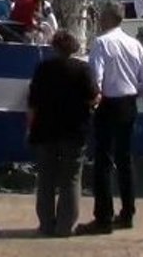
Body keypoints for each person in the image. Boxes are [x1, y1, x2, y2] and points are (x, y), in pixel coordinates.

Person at [78, 2, 143, 235]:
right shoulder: (134, 44)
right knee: (125, 160)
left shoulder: (102, 43)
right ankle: (127, 213)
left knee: (103, 162)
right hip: (129, 104)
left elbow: (96, 78)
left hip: (109, 105)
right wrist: (138, 95)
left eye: (102, 15)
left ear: (108, 18)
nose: (99, 19)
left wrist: (94, 100)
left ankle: (103, 218)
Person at [27, 30, 99, 237]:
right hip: (74, 130)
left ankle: (46, 225)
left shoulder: (43, 69)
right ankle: (65, 226)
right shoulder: (83, 69)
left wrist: (29, 127)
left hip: (45, 129)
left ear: (54, 47)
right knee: (71, 179)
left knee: (46, 178)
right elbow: (93, 98)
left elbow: (32, 103)